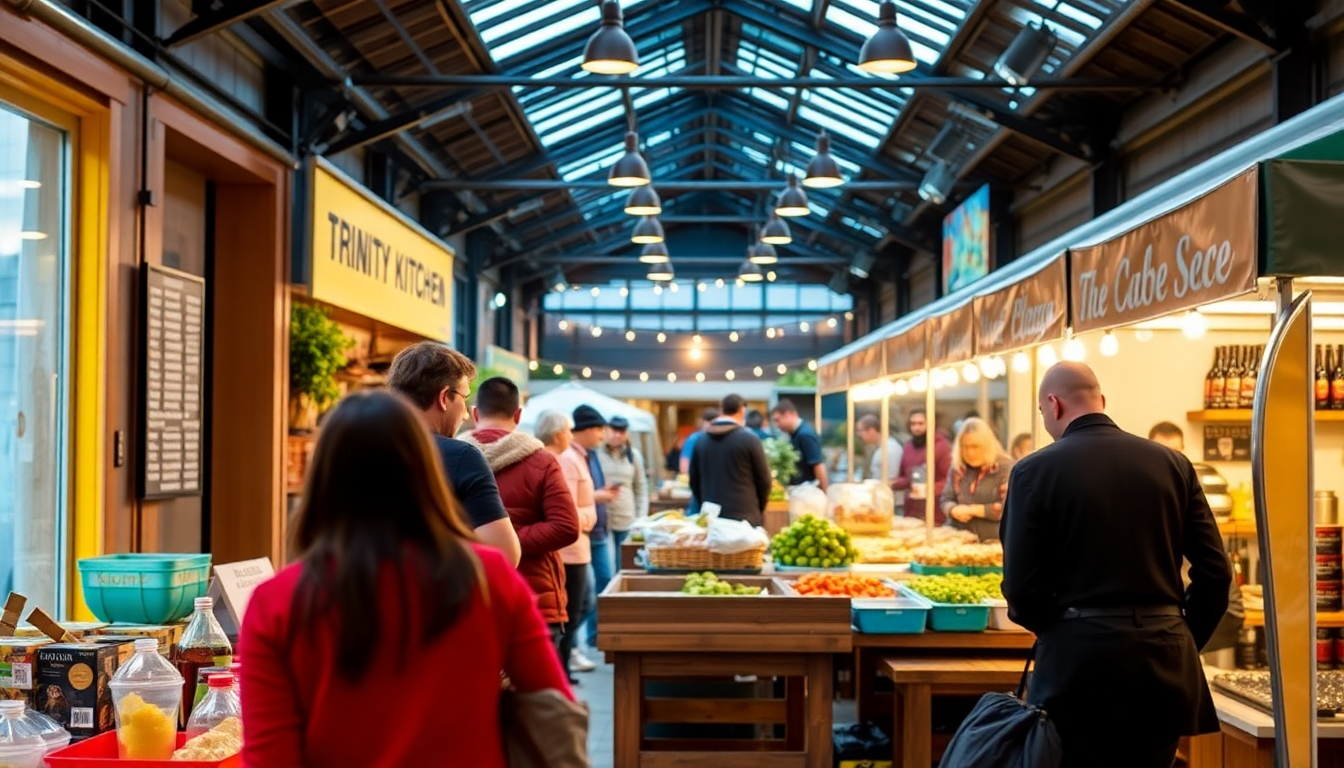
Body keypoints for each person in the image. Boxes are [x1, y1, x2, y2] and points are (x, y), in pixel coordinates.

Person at [239, 391, 571, 767]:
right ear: (426, 470)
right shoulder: (489, 576)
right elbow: (554, 706)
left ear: (325, 477)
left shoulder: (276, 602)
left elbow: (270, 756)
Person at [1000, 363, 1231, 768]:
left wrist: (1060, 631)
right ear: (1101, 401)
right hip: (1164, 661)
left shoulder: (1033, 471)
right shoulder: (1174, 464)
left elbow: (1021, 587)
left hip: (1078, 665)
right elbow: (1216, 573)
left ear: (1053, 405)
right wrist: (1180, 635)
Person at [460, 378, 579, 650]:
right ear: (518, 415)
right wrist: (507, 541)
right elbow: (566, 526)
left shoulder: (448, 459)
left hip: (469, 598)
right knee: (540, 690)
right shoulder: (541, 460)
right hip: (533, 600)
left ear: (476, 413)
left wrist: (483, 542)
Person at [387, 342, 520, 566]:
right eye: (464, 398)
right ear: (444, 397)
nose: (467, 413)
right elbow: (505, 554)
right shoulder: (461, 457)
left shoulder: (351, 452)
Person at [1146, 421, 1246, 655]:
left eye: (1176, 453)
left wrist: (1185, 642)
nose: (1168, 460)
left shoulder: (1190, 499)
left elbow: (1217, 577)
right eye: (1161, 452)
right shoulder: (1143, 502)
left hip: (1197, 623)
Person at [537, 410, 596, 684]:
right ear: (560, 433)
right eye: (569, 431)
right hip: (569, 550)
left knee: (575, 608)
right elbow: (566, 513)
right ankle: (561, 668)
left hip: (573, 548)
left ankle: (563, 665)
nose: (571, 436)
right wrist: (589, 517)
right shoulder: (558, 461)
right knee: (571, 611)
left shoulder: (557, 458)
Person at [571, 405, 619, 662]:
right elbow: (568, 498)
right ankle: (573, 648)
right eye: (600, 429)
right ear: (587, 430)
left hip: (598, 530)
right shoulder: (571, 456)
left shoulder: (590, 454)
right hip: (581, 534)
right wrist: (599, 497)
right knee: (584, 596)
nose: (603, 434)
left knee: (601, 586)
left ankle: (589, 640)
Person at [688, 394, 773, 527]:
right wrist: (758, 508)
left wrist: (704, 503)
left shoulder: (701, 441)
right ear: (741, 410)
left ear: (721, 410)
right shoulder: (750, 440)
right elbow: (764, 481)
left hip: (712, 520)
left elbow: (694, 481)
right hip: (745, 519)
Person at [940, 418, 1012, 542]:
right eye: (965, 447)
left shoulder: (1005, 468)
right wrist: (953, 509)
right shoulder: (958, 468)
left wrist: (972, 510)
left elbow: (1007, 508)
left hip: (992, 541)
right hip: (957, 539)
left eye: (975, 446)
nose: (969, 452)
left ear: (987, 445)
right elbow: (945, 498)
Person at [891, 408, 952, 524]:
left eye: (920, 424)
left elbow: (949, 480)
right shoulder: (908, 447)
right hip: (911, 510)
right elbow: (906, 477)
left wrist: (930, 488)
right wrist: (892, 483)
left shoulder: (943, 447)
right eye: (913, 424)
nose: (916, 428)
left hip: (934, 511)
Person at [598, 416, 648, 551]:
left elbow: (641, 487)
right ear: (606, 430)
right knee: (606, 567)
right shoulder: (596, 453)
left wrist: (640, 518)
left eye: (621, 432)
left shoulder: (634, 455)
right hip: (601, 519)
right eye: (614, 431)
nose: (617, 435)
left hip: (626, 517)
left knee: (624, 562)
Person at [770, 399, 829, 490]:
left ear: (788, 414)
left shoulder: (805, 435)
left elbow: (818, 464)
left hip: (808, 494)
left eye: (778, 420)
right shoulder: (795, 434)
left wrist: (825, 494)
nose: (777, 425)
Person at [855, 414, 902, 483]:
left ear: (871, 430)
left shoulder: (889, 449)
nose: (859, 435)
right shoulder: (881, 448)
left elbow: (890, 481)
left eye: (860, 431)